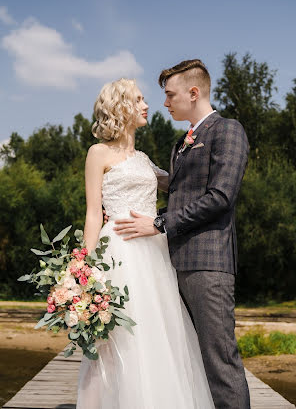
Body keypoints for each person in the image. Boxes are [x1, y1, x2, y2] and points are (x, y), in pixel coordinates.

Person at [113, 60, 251, 409]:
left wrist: (158, 224)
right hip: (170, 266)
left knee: (219, 361)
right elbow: (179, 198)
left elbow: (220, 197)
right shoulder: (180, 144)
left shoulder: (227, 130)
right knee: (187, 360)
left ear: (194, 92)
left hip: (208, 265)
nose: (165, 102)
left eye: (170, 94)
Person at [77, 78, 214, 409]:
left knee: (158, 335)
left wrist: (202, 149)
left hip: (155, 255)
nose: (146, 105)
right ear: (121, 106)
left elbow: (185, 185)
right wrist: (83, 265)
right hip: (119, 254)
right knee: (116, 339)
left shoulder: (144, 159)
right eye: (138, 99)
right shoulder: (98, 153)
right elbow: (94, 214)